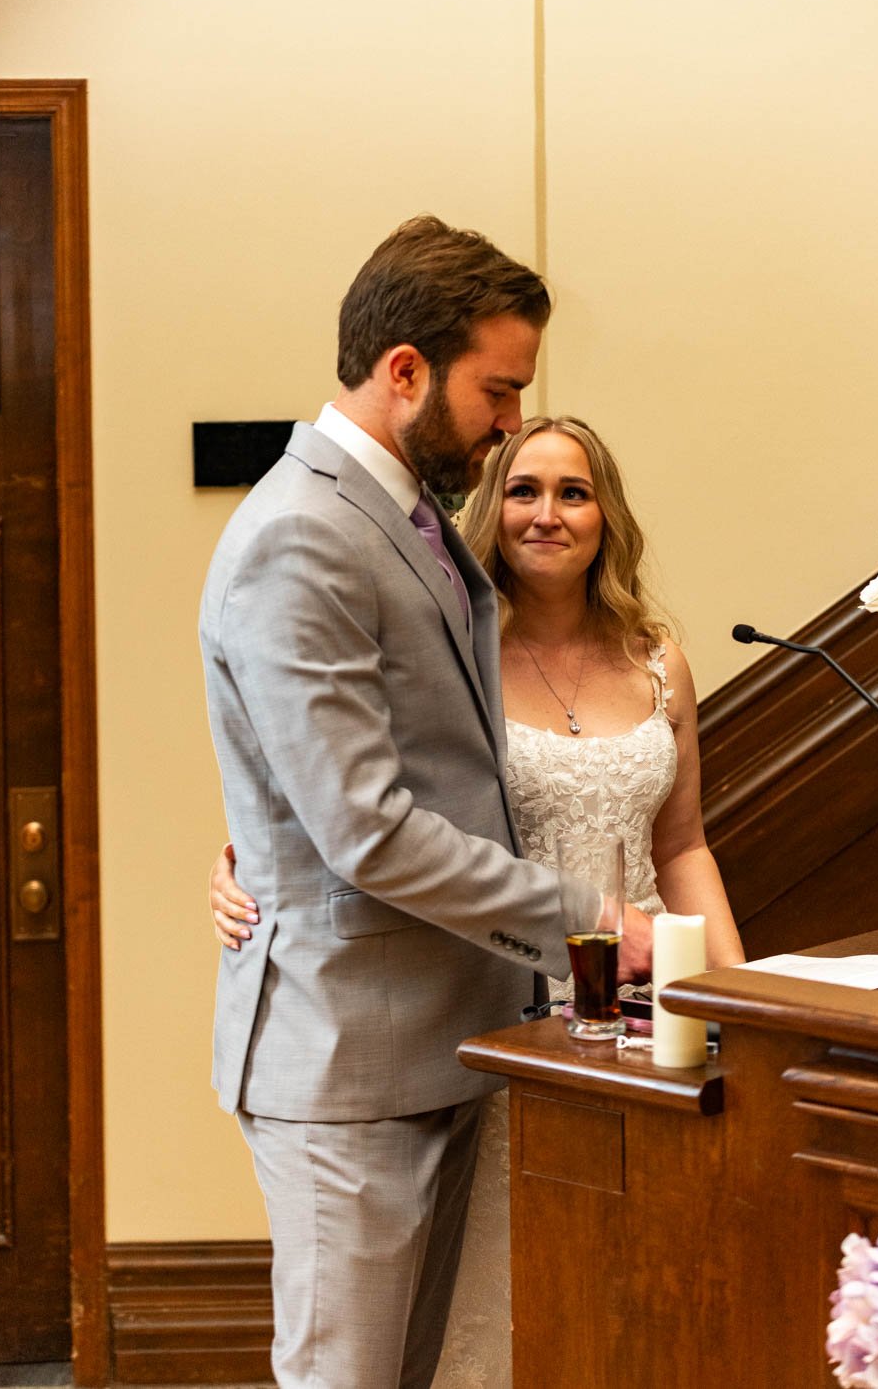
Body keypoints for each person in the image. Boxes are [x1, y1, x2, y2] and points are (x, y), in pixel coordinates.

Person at [198, 219, 654, 1389]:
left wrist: (267, 835)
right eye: (497, 390)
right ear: (404, 370)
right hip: (349, 1053)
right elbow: (362, 828)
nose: (510, 422)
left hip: (435, 1039)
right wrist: (589, 926)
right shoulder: (300, 536)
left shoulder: (402, 521)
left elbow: (397, 765)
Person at [212, 411, 744, 1387]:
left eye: (572, 492)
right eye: (524, 490)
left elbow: (682, 844)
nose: (546, 514)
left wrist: (736, 996)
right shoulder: (453, 655)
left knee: (633, 1285)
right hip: (495, 1006)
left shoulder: (658, 658)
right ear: (489, 509)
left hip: (637, 1011)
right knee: (479, 1302)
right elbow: (353, 799)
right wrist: (248, 858)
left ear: (605, 517)